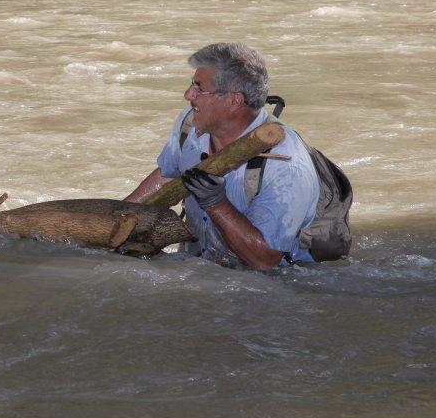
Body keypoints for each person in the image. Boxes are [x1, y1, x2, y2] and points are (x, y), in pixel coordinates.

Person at [124, 43, 319, 268]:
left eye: (199, 88)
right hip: (201, 268)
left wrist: (215, 202)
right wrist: (117, 218)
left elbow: (265, 260)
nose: (188, 95)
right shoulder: (190, 123)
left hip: (273, 284)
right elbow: (167, 175)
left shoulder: (287, 164)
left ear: (234, 100)